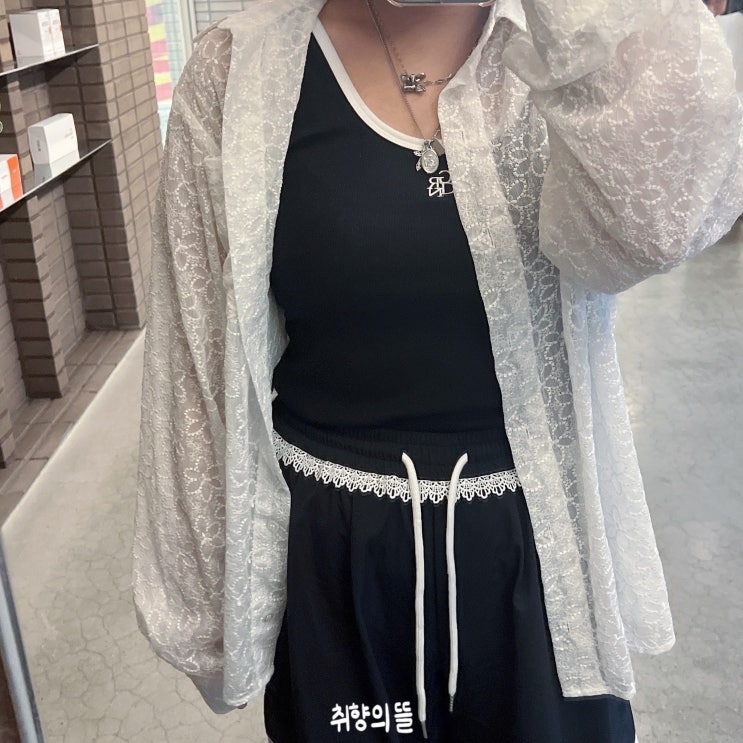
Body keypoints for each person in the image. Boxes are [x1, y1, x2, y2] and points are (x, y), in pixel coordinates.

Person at [132, 0, 743, 741]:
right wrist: (210, 613)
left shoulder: (583, 53)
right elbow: (194, 365)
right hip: (336, 554)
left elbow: (656, 228)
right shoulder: (238, 71)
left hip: (539, 548)